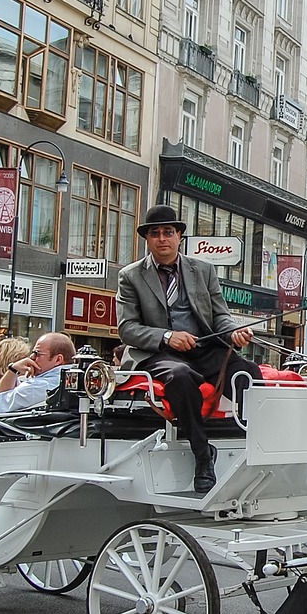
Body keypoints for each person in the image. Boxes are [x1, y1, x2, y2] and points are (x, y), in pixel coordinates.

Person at [117, 205, 262, 494]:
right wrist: (167, 336)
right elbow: (127, 328)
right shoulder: (131, 276)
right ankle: (202, 455)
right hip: (158, 353)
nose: (162, 239)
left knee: (247, 372)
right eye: (155, 233)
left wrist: (233, 331)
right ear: (147, 238)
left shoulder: (203, 270)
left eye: (168, 232)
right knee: (180, 375)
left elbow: (219, 315)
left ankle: (256, 444)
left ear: (179, 236)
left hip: (203, 347)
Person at [0, 332, 75, 413]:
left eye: (37, 353)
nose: (31, 357)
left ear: (58, 359)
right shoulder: (80, 381)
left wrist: (13, 370)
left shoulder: (37, 386)